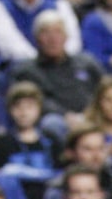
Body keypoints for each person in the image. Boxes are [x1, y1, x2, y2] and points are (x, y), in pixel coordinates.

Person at [11, 10, 103, 143]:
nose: (52, 38)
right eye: (45, 33)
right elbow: (36, 102)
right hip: (60, 120)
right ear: (36, 38)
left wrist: (92, 113)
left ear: (66, 37)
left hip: (93, 115)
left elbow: (105, 88)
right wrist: (66, 116)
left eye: (57, 32)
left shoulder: (86, 63)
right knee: (51, 123)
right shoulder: (27, 71)